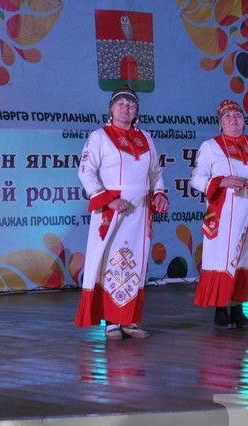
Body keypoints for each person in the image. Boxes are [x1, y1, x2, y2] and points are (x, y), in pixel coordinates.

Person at [74, 85, 168, 339]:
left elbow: (155, 173)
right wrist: (107, 199)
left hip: (140, 213)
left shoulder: (145, 138)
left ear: (137, 111)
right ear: (111, 109)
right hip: (112, 211)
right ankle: (112, 321)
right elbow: (85, 171)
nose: (126, 108)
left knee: (135, 263)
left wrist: (159, 193)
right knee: (111, 262)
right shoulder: (99, 137)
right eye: (121, 104)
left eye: (131, 105)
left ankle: (130, 320)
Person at [191, 99, 248, 329]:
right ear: (220, 123)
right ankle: (220, 310)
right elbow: (196, 179)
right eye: (227, 117)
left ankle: (238, 309)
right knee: (222, 259)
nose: (233, 120)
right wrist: (222, 181)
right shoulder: (210, 146)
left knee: (245, 258)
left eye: (237, 116)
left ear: (244, 120)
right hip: (223, 214)